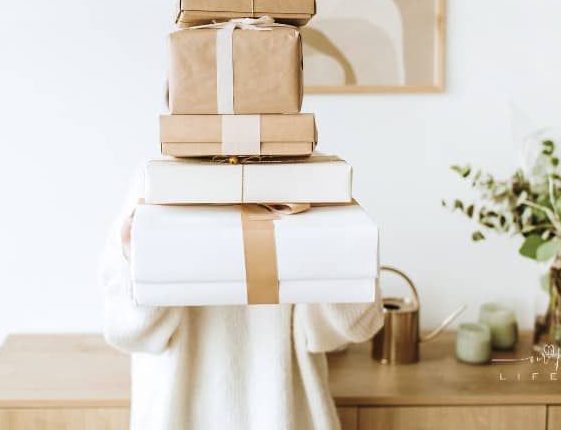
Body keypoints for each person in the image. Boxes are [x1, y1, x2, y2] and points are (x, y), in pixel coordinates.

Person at [100, 176, 384, 430]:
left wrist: (338, 252)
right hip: (181, 414)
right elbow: (124, 331)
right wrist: (137, 261)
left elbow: (353, 326)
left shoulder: (311, 180)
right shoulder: (153, 181)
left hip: (283, 412)